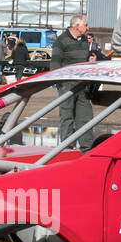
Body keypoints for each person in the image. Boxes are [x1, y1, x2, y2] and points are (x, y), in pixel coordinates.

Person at [50, 14, 97, 147]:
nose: (88, 28)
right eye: (85, 25)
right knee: (67, 117)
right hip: (67, 85)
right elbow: (54, 64)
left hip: (82, 85)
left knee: (85, 117)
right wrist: (61, 85)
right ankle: (67, 149)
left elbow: (84, 59)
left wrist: (90, 61)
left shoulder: (84, 41)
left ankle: (86, 149)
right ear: (77, 26)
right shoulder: (61, 41)